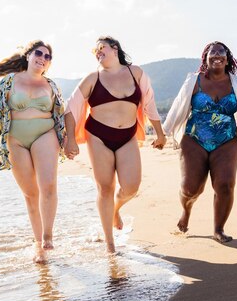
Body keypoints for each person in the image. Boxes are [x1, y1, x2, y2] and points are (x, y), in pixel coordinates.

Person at [163, 41, 237, 243]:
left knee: (225, 185)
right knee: (191, 188)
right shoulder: (193, 81)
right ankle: (186, 211)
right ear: (205, 58)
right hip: (195, 138)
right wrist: (164, 132)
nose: (217, 56)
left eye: (221, 53)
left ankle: (218, 229)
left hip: (227, 140)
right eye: (212, 53)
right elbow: (177, 106)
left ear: (228, 59)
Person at [64, 36, 166, 253]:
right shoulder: (92, 78)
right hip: (98, 135)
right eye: (95, 51)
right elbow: (70, 108)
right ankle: (110, 244)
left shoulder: (135, 73)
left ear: (115, 48)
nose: (98, 52)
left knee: (131, 186)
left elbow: (149, 103)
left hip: (127, 135)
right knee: (105, 187)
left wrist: (160, 133)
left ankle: (116, 209)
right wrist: (71, 139)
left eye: (101, 48)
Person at [0, 40, 65, 264]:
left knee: (48, 185)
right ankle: (37, 244)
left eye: (48, 56)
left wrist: (68, 142)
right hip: (16, 139)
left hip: (45, 134)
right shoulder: (8, 82)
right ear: (28, 55)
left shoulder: (51, 85)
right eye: (39, 53)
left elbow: (61, 115)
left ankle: (47, 235)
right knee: (30, 193)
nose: (43, 58)